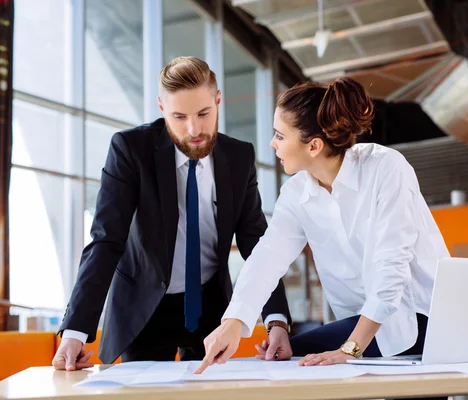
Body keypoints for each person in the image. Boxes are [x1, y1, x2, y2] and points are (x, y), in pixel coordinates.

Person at [195, 77, 450, 376]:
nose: (272, 143)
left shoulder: (386, 168)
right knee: (289, 362)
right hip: (365, 325)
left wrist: (350, 349)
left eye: (279, 135)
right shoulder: (296, 194)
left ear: (314, 145)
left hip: (420, 321)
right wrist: (233, 323)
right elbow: (266, 259)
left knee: (302, 366)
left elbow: (391, 269)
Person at [52, 56, 292, 370]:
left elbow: (256, 243)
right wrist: (75, 332)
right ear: (162, 108)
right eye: (179, 116)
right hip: (145, 307)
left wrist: (277, 321)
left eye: (204, 113)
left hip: (210, 306)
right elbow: (107, 240)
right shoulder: (130, 150)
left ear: (218, 100)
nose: (194, 129)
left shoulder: (239, 156)